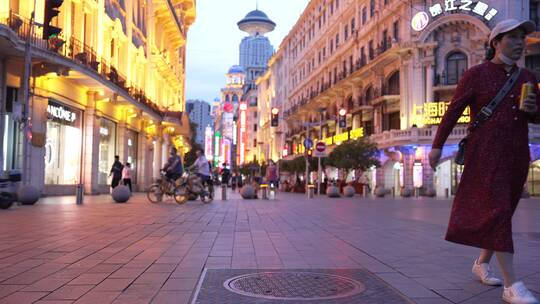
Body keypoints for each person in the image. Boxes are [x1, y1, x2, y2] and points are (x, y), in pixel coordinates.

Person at [429, 19, 540, 304]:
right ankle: (512, 284)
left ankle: (481, 263)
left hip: (517, 155)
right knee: (499, 212)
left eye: (522, 38)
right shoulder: (476, 74)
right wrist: (437, 146)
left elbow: (536, 117)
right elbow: (453, 111)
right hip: (485, 155)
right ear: (495, 42)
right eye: (512, 37)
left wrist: (534, 110)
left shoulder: (527, 76)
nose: (519, 43)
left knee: (503, 212)